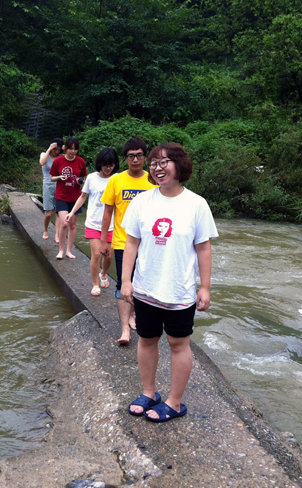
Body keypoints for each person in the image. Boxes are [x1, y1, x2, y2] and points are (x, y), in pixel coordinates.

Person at [122, 142, 218, 423]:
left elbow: (204, 248)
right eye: (154, 163)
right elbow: (131, 242)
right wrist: (126, 281)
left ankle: (175, 402)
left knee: (178, 343)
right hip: (146, 287)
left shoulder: (196, 204)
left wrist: (205, 287)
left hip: (178, 289)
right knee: (147, 339)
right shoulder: (143, 201)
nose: (157, 167)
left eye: (164, 162)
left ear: (180, 166)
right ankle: (149, 392)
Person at [99, 137, 156, 345]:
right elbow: (107, 213)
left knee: (142, 284)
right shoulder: (116, 180)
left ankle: (133, 315)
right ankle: (125, 329)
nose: (135, 160)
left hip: (149, 243)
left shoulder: (153, 180)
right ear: (125, 159)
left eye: (139, 155)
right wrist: (105, 240)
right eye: (131, 156)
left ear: (145, 157)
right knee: (124, 282)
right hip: (124, 241)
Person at [65, 148, 120, 296]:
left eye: (111, 165)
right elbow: (83, 197)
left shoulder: (118, 179)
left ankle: (104, 273)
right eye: (105, 165)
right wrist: (72, 212)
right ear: (100, 164)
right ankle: (95, 284)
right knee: (96, 254)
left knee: (108, 256)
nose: (108, 168)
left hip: (112, 224)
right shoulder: (91, 178)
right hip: (94, 222)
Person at [50, 137, 87, 260]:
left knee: (73, 225)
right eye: (70, 149)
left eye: (75, 149)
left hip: (75, 197)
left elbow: (84, 178)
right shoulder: (59, 161)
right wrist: (60, 177)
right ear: (65, 148)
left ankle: (69, 250)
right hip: (61, 196)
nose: (73, 151)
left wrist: (80, 180)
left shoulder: (81, 161)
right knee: (65, 223)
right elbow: (52, 178)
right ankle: (60, 250)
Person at [40, 138, 63, 241]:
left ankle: (57, 235)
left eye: (59, 150)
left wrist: (64, 148)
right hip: (48, 184)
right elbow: (42, 162)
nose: (57, 152)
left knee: (58, 213)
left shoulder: (61, 158)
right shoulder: (44, 154)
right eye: (55, 149)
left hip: (59, 184)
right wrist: (49, 149)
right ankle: (46, 230)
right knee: (49, 213)